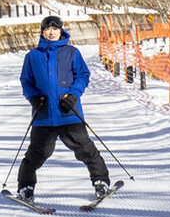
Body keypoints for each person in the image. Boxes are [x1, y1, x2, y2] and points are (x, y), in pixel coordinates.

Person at [17, 15, 111, 202]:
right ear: (42, 31)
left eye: (55, 29)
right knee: (36, 154)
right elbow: (26, 81)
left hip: (69, 113)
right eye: (47, 29)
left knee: (86, 150)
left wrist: (74, 95)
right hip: (44, 115)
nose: (51, 32)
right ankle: (25, 187)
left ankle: (101, 182)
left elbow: (83, 75)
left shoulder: (72, 52)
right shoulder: (32, 56)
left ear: (61, 31)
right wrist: (34, 98)